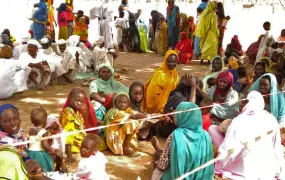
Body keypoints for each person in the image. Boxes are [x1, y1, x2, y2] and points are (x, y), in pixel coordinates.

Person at [215, 91, 285, 179]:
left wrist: (221, 161)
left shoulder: (239, 120)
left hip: (242, 168)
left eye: (244, 101)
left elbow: (227, 147)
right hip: (266, 167)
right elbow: (276, 147)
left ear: (250, 103)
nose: (240, 104)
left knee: (213, 130)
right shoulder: (271, 118)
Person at [151, 102, 214, 180]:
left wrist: (156, 161)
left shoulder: (176, 135)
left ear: (183, 117)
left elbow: (163, 165)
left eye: (177, 114)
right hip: (201, 177)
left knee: (157, 164)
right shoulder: (206, 135)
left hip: (177, 177)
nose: (174, 116)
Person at [60, 87, 98, 164]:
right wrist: (69, 155)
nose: (79, 103)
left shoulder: (76, 112)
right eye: (77, 100)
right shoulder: (68, 113)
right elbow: (68, 134)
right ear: (70, 99)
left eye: (81, 101)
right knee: (97, 144)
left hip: (79, 139)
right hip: (73, 144)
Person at [28, 107, 63, 172]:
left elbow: (29, 142)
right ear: (45, 121)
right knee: (45, 169)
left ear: (32, 121)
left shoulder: (30, 130)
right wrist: (53, 150)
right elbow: (44, 145)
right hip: (40, 154)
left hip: (31, 153)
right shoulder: (44, 132)